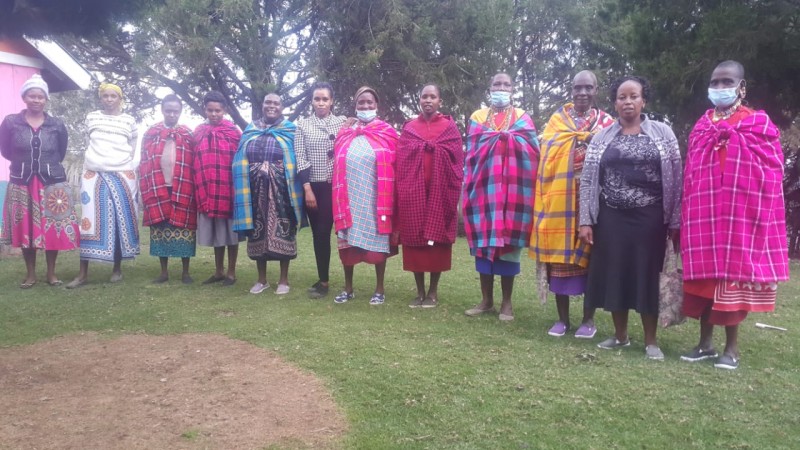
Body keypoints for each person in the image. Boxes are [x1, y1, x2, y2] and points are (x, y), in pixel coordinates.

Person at [680, 60, 789, 370]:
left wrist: (733, 139)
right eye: (714, 82)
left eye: (726, 82)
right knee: (704, 283)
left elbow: (773, 168)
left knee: (731, 284)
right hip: (704, 216)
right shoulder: (702, 126)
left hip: (740, 217)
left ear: (742, 87)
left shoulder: (758, 124)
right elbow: (692, 171)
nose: (719, 88)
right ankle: (704, 345)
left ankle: (732, 349)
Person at [578, 76, 682, 360]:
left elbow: (676, 177)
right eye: (622, 97)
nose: (627, 102)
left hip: (650, 219)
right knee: (615, 274)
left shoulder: (663, 133)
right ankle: (620, 336)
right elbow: (588, 180)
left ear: (643, 100)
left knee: (647, 276)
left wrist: (674, 220)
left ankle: (651, 341)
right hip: (610, 218)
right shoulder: (602, 137)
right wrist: (585, 220)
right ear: (615, 102)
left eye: (633, 96)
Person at [531, 70, 615, 338]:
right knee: (560, 260)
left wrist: (593, 142)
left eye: (588, 88)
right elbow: (547, 154)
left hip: (595, 200)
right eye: (578, 88)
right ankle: (562, 320)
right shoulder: (557, 121)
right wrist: (577, 141)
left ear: (596, 90)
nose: (582, 93)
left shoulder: (606, 123)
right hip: (560, 199)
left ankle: (588, 320)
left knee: (591, 258)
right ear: (571, 90)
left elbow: (614, 156)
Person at [462, 72, 539, 321]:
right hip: (484, 190)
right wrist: (498, 139)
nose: (501, 88)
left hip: (513, 193)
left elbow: (533, 150)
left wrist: (509, 139)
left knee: (508, 247)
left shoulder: (522, 118)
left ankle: (507, 302)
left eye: (506, 84)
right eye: (497, 84)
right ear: (490, 87)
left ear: (512, 89)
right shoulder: (477, 117)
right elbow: (472, 151)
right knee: (483, 247)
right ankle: (486, 300)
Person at [0, 74, 79, 288]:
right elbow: (6, 150)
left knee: (52, 229)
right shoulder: (10, 122)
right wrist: (25, 163)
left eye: (40, 97)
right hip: (22, 181)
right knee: (26, 229)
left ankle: (52, 273)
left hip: (52, 183)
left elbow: (60, 151)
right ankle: (31, 274)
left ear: (46, 99)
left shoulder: (56, 124)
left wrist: (44, 166)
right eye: (32, 96)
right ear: (24, 98)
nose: (36, 100)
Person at [233, 93, 308, 295]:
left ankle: (283, 280)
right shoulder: (250, 130)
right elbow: (240, 157)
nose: (271, 106)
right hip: (255, 190)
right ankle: (262, 279)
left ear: (282, 107)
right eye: (268, 102)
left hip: (283, 189)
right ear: (262, 105)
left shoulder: (290, 130)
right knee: (257, 231)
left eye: (276, 103)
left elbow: (298, 158)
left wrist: (274, 169)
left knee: (284, 229)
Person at [66, 83, 140, 288]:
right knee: (89, 221)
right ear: (101, 98)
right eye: (105, 96)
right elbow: (89, 140)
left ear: (120, 98)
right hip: (94, 173)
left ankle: (117, 269)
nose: (109, 99)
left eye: (113, 96)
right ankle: (82, 274)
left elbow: (133, 145)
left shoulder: (129, 120)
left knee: (119, 220)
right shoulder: (92, 117)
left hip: (122, 173)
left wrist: (123, 163)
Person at [397, 84, 464, 308]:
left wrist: (435, 149)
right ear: (419, 101)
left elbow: (457, 160)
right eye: (424, 96)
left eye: (432, 96)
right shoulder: (409, 128)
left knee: (437, 244)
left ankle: (433, 292)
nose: (428, 100)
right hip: (414, 194)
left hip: (440, 193)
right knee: (415, 242)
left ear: (439, 101)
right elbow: (402, 160)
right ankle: (419, 291)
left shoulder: (449, 128)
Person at [332, 86, 399, 305]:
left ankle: (379, 289)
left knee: (378, 242)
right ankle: (348, 288)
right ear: (355, 105)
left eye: (370, 102)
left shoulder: (387, 132)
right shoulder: (345, 132)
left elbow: (397, 162)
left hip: (376, 197)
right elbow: (336, 159)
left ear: (376, 105)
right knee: (347, 242)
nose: (365, 106)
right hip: (349, 196)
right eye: (361, 103)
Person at [294, 82, 347, 298]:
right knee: (320, 234)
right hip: (315, 187)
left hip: (339, 185)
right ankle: (323, 280)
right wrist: (307, 189)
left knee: (343, 233)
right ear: (312, 101)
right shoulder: (302, 126)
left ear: (332, 101)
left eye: (325, 98)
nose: (321, 102)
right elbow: (300, 158)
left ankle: (348, 282)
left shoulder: (343, 123)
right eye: (317, 99)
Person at [139, 94, 197, 284]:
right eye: (168, 110)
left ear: (180, 112)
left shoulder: (188, 134)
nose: (172, 114)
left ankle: (185, 272)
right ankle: (163, 272)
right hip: (158, 186)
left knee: (185, 228)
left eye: (175, 111)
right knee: (160, 228)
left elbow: (195, 161)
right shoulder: (151, 132)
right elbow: (145, 160)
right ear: (162, 110)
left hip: (183, 187)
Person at [193, 91, 243, 287]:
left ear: (225, 110)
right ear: (204, 110)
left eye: (218, 110)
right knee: (216, 233)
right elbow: (195, 159)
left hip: (228, 188)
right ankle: (218, 271)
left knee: (230, 233)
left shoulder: (233, 132)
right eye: (210, 110)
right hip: (207, 188)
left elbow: (240, 159)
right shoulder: (198, 132)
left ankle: (231, 272)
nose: (214, 114)